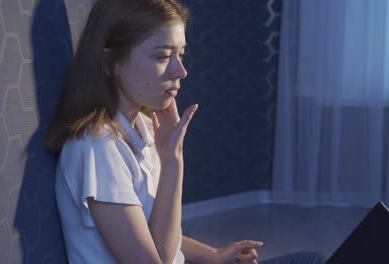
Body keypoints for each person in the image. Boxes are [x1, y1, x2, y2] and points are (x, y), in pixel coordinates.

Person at [47, 0, 325, 263]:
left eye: (181, 54)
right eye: (162, 56)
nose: (181, 71)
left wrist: (213, 255)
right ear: (110, 63)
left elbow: (154, 230)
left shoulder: (142, 127)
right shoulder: (96, 147)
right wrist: (172, 160)